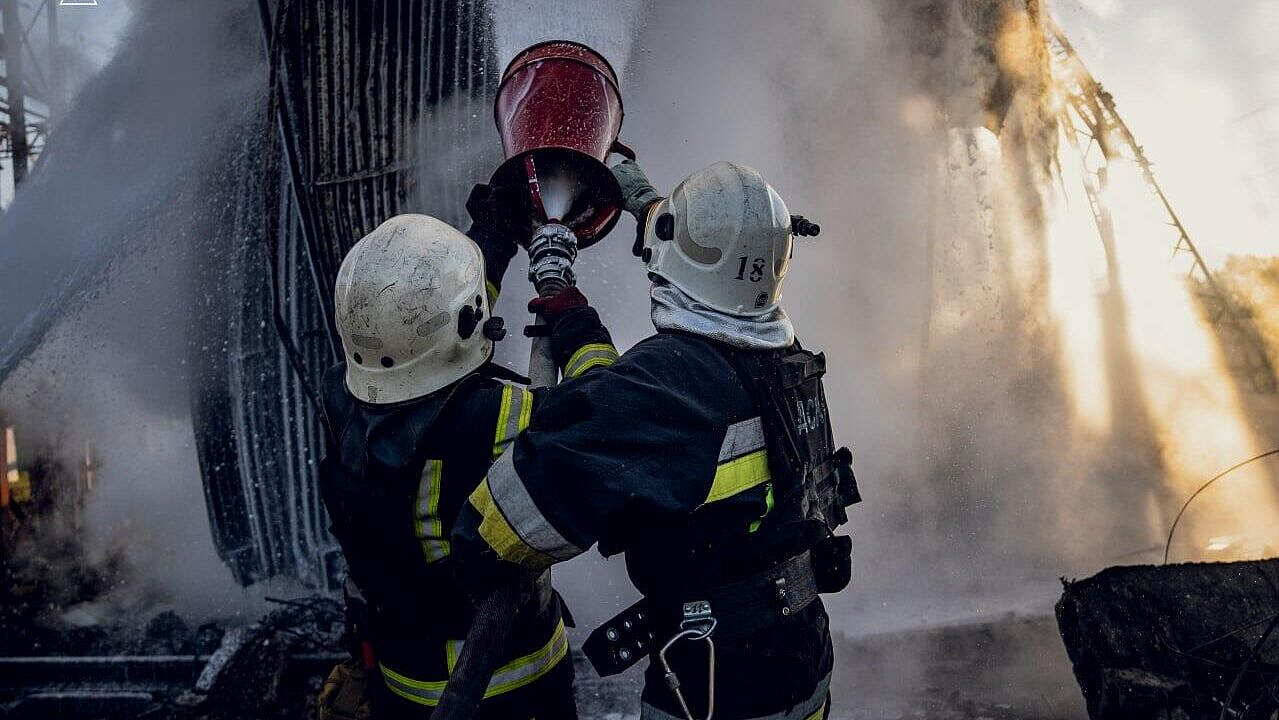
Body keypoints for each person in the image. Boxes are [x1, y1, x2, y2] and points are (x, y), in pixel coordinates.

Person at [453, 159, 859, 720]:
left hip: (714, 687)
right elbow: (622, 399)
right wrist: (573, 309)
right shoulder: (784, 364)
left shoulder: (665, 386)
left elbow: (500, 527)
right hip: (802, 658)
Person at [315, 196, 619, 720]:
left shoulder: (341, 401)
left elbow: (429, 327)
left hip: (400, 682)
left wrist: (497, 230)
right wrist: (572, 315)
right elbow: (610, 417)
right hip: (514, 689)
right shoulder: (494, 417)